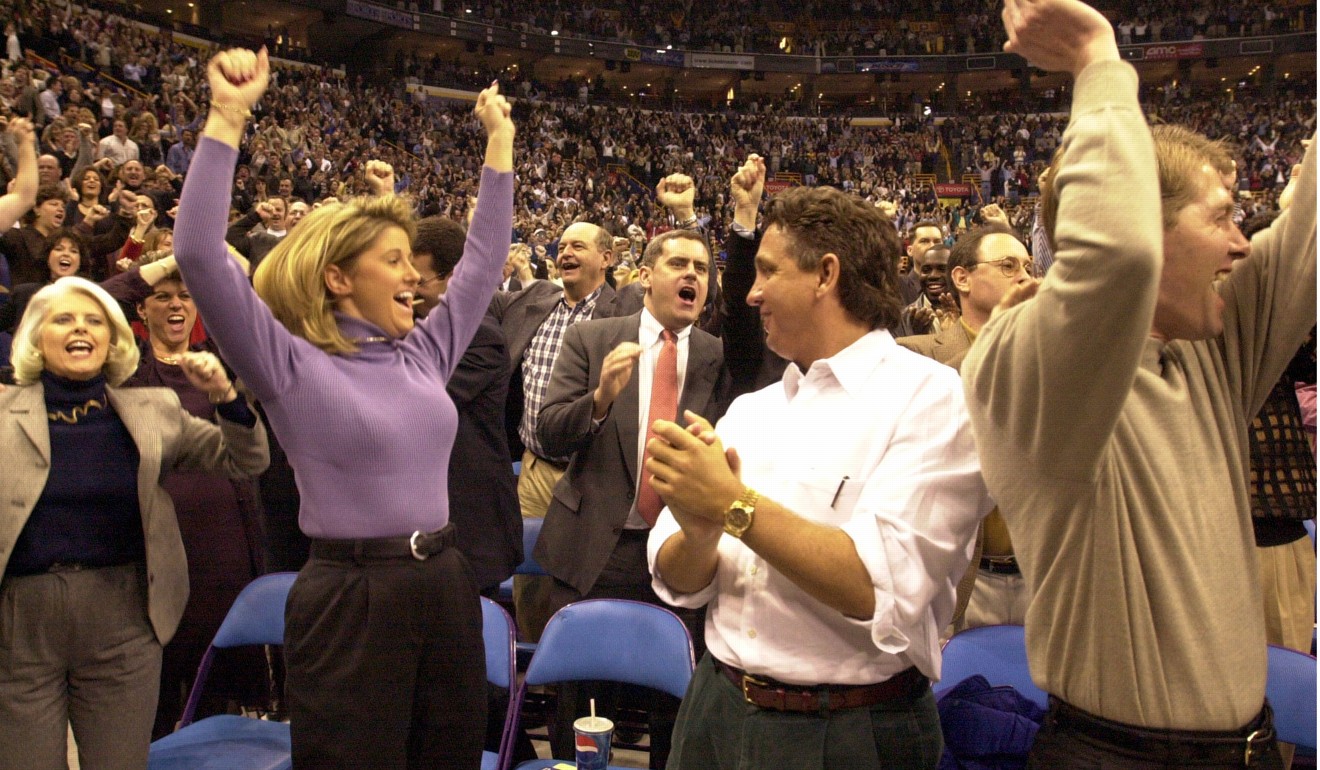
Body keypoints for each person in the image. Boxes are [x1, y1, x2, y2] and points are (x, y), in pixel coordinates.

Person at [961, 0, 1315, 766]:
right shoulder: (1022, 364)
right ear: (1146, 225)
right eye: (1222, 217)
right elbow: (1115, 259)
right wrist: (1098, 64)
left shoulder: (1209, 348)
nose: (1242, 245)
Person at [173, 48, 515, 769]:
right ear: (337, 277)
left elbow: (483, 261)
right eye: (392, 260)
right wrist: (229, 114)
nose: (411, 278)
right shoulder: (288, 363)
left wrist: (500, 145)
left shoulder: (423, 353)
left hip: (446, 583)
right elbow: (200, 255)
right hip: (349, 599)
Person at [645, 185, 990, 770]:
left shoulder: (932, 399)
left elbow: (874, 589)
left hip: (847, 728)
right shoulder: (756, 410)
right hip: (716, 707)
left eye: (767, 272)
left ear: (825, 274)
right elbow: (675, 575)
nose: (751, 294)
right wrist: (701, 533)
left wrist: (733, 505)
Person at [0, 276, 267, 768]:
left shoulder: (154, 410)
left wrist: (226, 397)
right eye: (64, 319)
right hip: (19, 626)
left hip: (124, 619)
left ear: (112, 338)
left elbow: (244, 461)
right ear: (37, 336)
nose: (80, 329)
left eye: (94, 321)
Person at [535, 229, 728, 767]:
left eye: (702, 268)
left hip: (679, 552)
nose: (692, 275)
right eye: (679, 263)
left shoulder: (715, 354)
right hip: (593, 547)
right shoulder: (593, 339)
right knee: (582, 703)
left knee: (675, 705)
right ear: (645, 275)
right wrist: (598, 401)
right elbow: (549, 432)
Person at [101, 255, 270, 737]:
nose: (176, 304)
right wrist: (173, 259)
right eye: (163, 297)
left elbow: (250, 304)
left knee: (217, 669)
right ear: (143, 310)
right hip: (155, 534)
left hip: (225, 534)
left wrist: (208, 257)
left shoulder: (219, 356)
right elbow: (107, 297)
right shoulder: (127, 367)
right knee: (154, 676)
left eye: (186, 295)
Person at [488, 219, 625, 641]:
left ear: (606, 258)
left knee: (579, 584)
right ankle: (535, 671)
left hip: (591, 473)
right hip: (534, 467)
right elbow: (472, 295)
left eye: (578, 246)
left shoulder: (626, 311)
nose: (565, 252)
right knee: (529, 582)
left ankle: (575, 670)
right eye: (562, 245)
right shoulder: (535, 300)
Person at [898, 224, 1036, 631]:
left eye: (1028, 266)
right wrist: (998, 340)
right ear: (962, 278)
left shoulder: (1052, 356)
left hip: (1044, 579)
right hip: (962, 582)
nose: (1025, 276)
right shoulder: (915, 356)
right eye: (1008, 265)